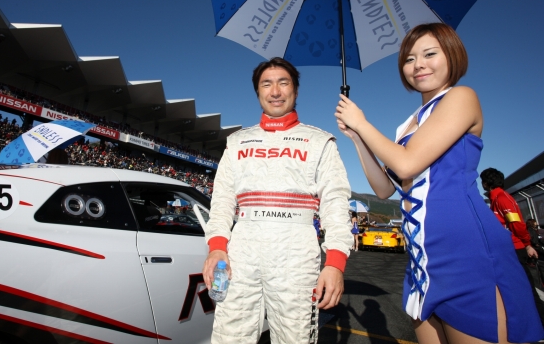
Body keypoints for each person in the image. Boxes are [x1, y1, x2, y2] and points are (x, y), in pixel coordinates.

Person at [335, 23, 543, 344]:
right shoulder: (407, 125)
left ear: (452, 56)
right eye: (409, 59)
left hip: (464, 250)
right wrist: (356, 137)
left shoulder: (461, 97)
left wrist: (363, 122)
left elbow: (407, 163)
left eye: (429, 54)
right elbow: (385, 189)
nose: (418, 64)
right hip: (422, 257)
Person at [202, 57, 352, 344]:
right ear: (258, 92)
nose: (275, 91)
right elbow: (221, 201)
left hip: (296, 252)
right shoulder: (236, 142)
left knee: (295, 338)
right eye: (266, 84)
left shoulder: (319, 141)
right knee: (229, 336)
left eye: (283, 83)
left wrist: (335, 263)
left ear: (295, 90)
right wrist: (217, 247)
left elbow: (335, 204)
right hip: (242, 250)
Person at [480, 167, 544, 324]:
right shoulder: (497, 199)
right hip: (509, 249)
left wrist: (527, 244)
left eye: (483, 181)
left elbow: (517, 224)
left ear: (486, 183)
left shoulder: (502, 199)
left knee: (526, 287)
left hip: (515, 249)